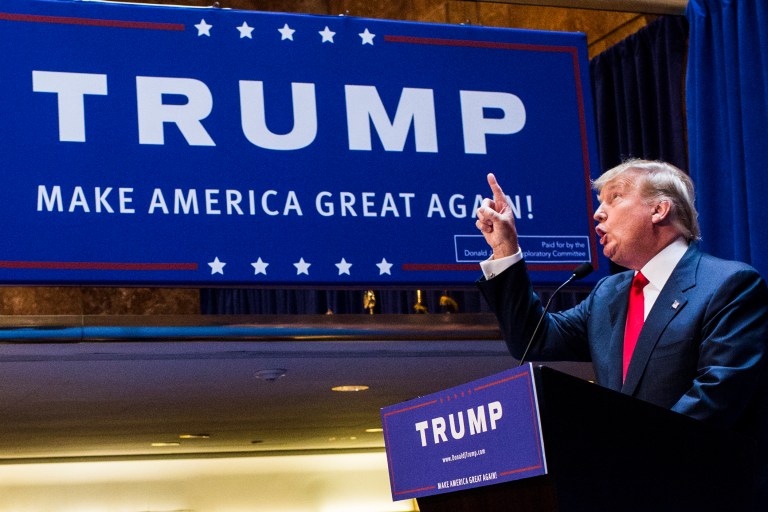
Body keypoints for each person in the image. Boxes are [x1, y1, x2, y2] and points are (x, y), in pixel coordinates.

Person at [475, 159, 768, 507]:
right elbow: (533, 339)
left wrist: (621, 458)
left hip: (700, 494)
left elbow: (716, 395)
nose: (598, 213)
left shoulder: (728, 284)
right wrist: (505, 249)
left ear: (659, 209)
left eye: (615, 198)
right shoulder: (608, 295)